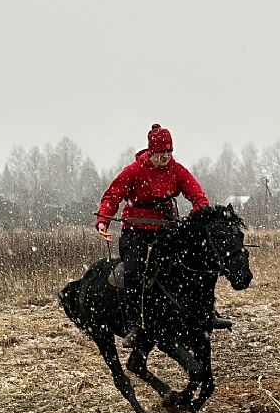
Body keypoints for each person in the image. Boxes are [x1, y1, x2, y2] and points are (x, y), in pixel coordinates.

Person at [95, 124, 232, 329]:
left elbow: (199, 197)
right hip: (136, 231)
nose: (166, 155)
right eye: (162, 152)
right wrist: (103, 220)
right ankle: (134, 323)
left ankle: (207, 312)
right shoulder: (134, 171)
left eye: (169, 151)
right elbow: (112, 196)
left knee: (195, 263)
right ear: (152, 151)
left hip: (166, 230)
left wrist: (196, 217)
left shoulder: (177, 170)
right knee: (134, 270)